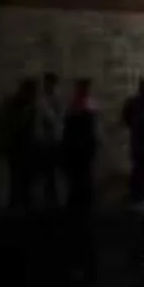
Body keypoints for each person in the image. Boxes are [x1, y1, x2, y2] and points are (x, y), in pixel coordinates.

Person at [0, 78, 41, 212]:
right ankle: (19, 206)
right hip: (19, 148)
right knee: (19, 180)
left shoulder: (24, 106)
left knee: (21, 181)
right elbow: (16, 127)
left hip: (23, 149)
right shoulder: (19, 106)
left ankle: (20, 205)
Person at [61, 78, 100, 213]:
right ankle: (80, 200)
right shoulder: (78, 106)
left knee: (82, 175)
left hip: (82, 146)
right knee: (79, 175)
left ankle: (83, 200)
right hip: (79, 146)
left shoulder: (84, 106)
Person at [36, 72, 65, 207]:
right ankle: (49, 198)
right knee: (48, 172)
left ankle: (52, 198)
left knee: (52, 172)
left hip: (54, 140)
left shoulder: (55, 98)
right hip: (47, 140)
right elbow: (51, 118)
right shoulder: (44, 99)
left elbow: (56, 118)